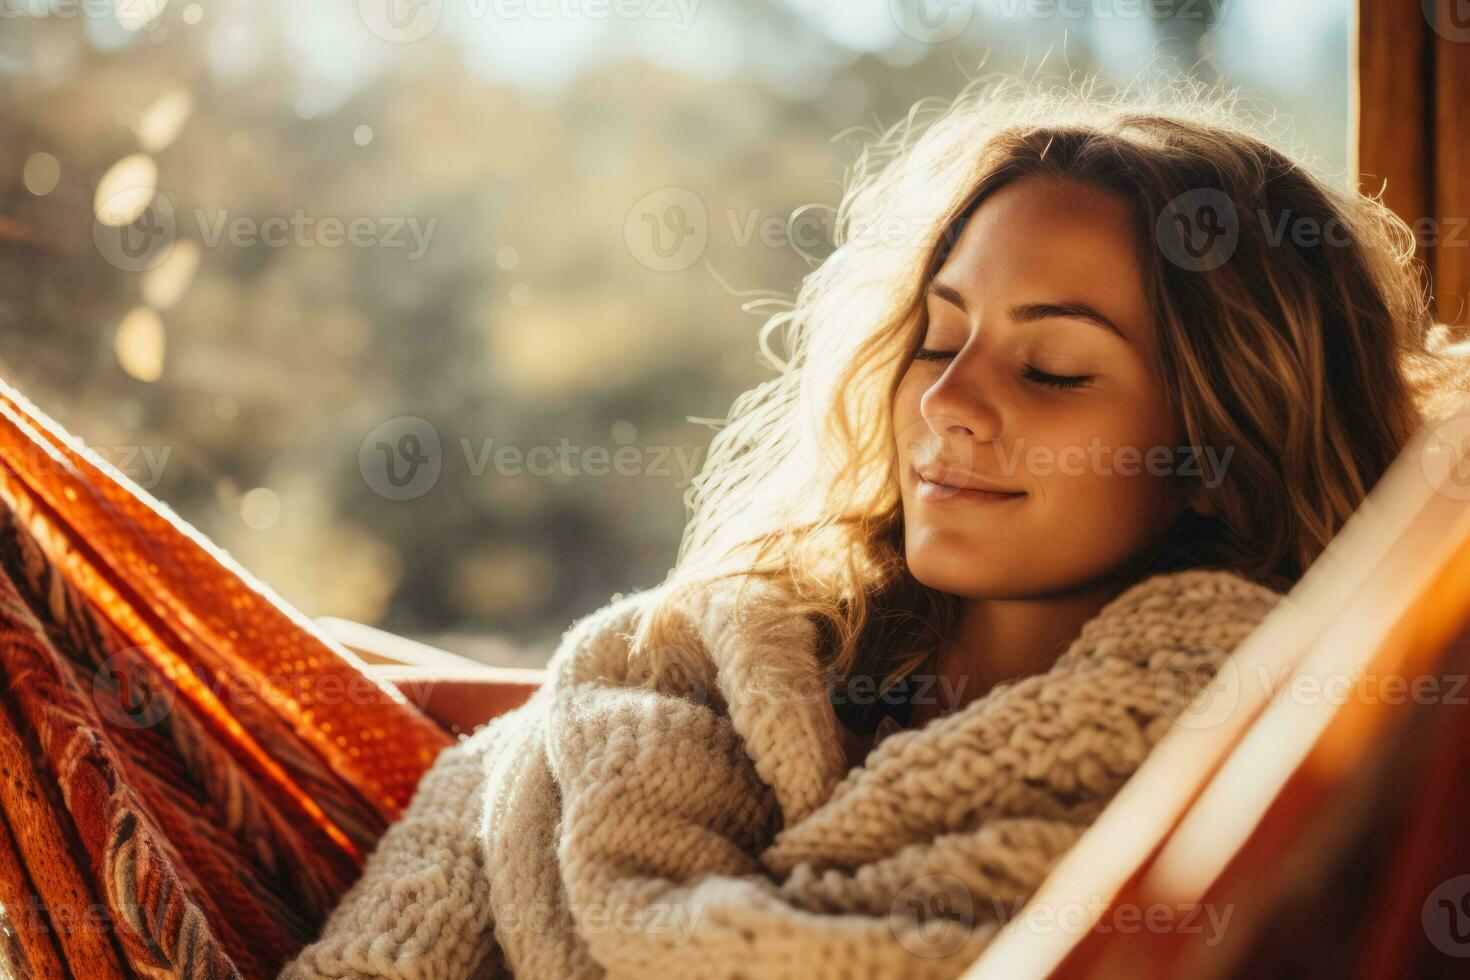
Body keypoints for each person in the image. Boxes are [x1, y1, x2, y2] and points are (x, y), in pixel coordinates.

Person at [278, 78, 1467, 979]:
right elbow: (540, 734)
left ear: (1217, 450)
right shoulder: (722, 672)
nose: (947, 406)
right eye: (939, 342)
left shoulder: (1237, 756)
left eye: (1053, 368)